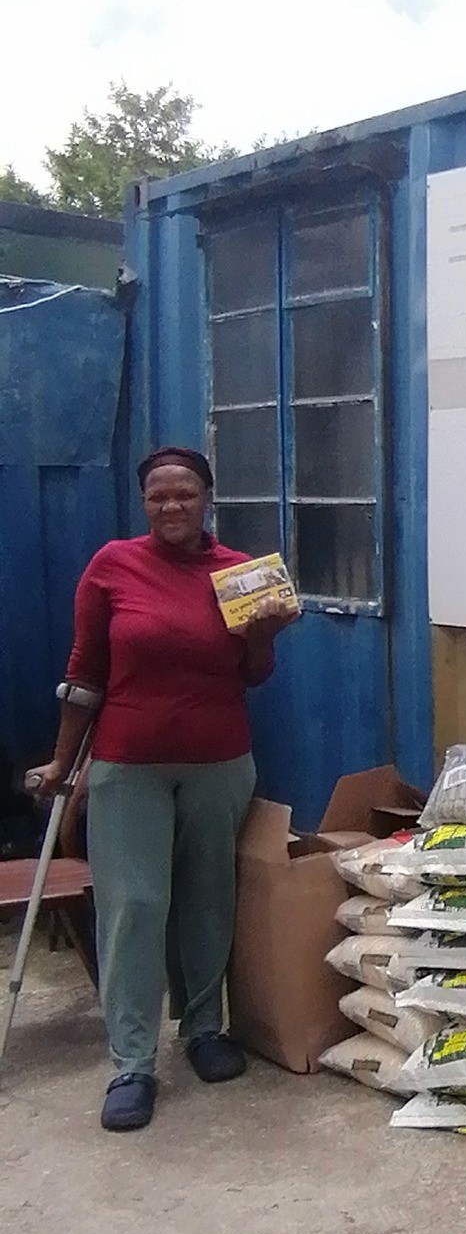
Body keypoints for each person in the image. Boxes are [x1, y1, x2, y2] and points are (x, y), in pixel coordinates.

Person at [38, 447, 297, 1133]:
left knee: (208, 896)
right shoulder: (112, 566)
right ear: (144, 503)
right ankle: (132, 1062)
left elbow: (254, 674)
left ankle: (204, 1029)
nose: (172, 505)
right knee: (136, 905)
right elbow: (84, 671)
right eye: (158, 496)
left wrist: (263, 635)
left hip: (219, 761)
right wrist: (63, 764)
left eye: (185, 493)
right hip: (128, 765)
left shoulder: (240, 574)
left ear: (208, 498)